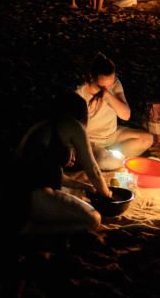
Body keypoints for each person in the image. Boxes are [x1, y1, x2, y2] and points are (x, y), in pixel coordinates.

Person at [12, 92, 111, 235]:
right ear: (81, 113)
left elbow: (44, 171)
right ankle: (31, 230)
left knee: (75, 196)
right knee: (94, 219)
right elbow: (94, 170)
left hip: (15, 193)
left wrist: (82, 186)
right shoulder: (73, 125)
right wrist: (108, 195)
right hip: (30, 196)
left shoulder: (42, 125)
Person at [75, 54, 153, 171]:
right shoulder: (80, 93)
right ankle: (108, 159)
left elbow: (125, 115)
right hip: (91, 141)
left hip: (112, 136)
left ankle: (110, 158)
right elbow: (74, 128)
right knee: (102, 160)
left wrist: (108, 96)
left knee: (147, 139)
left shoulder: (115, 85)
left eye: (110, 84)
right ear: (91, 78)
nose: (107, 88)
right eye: (102, 86)